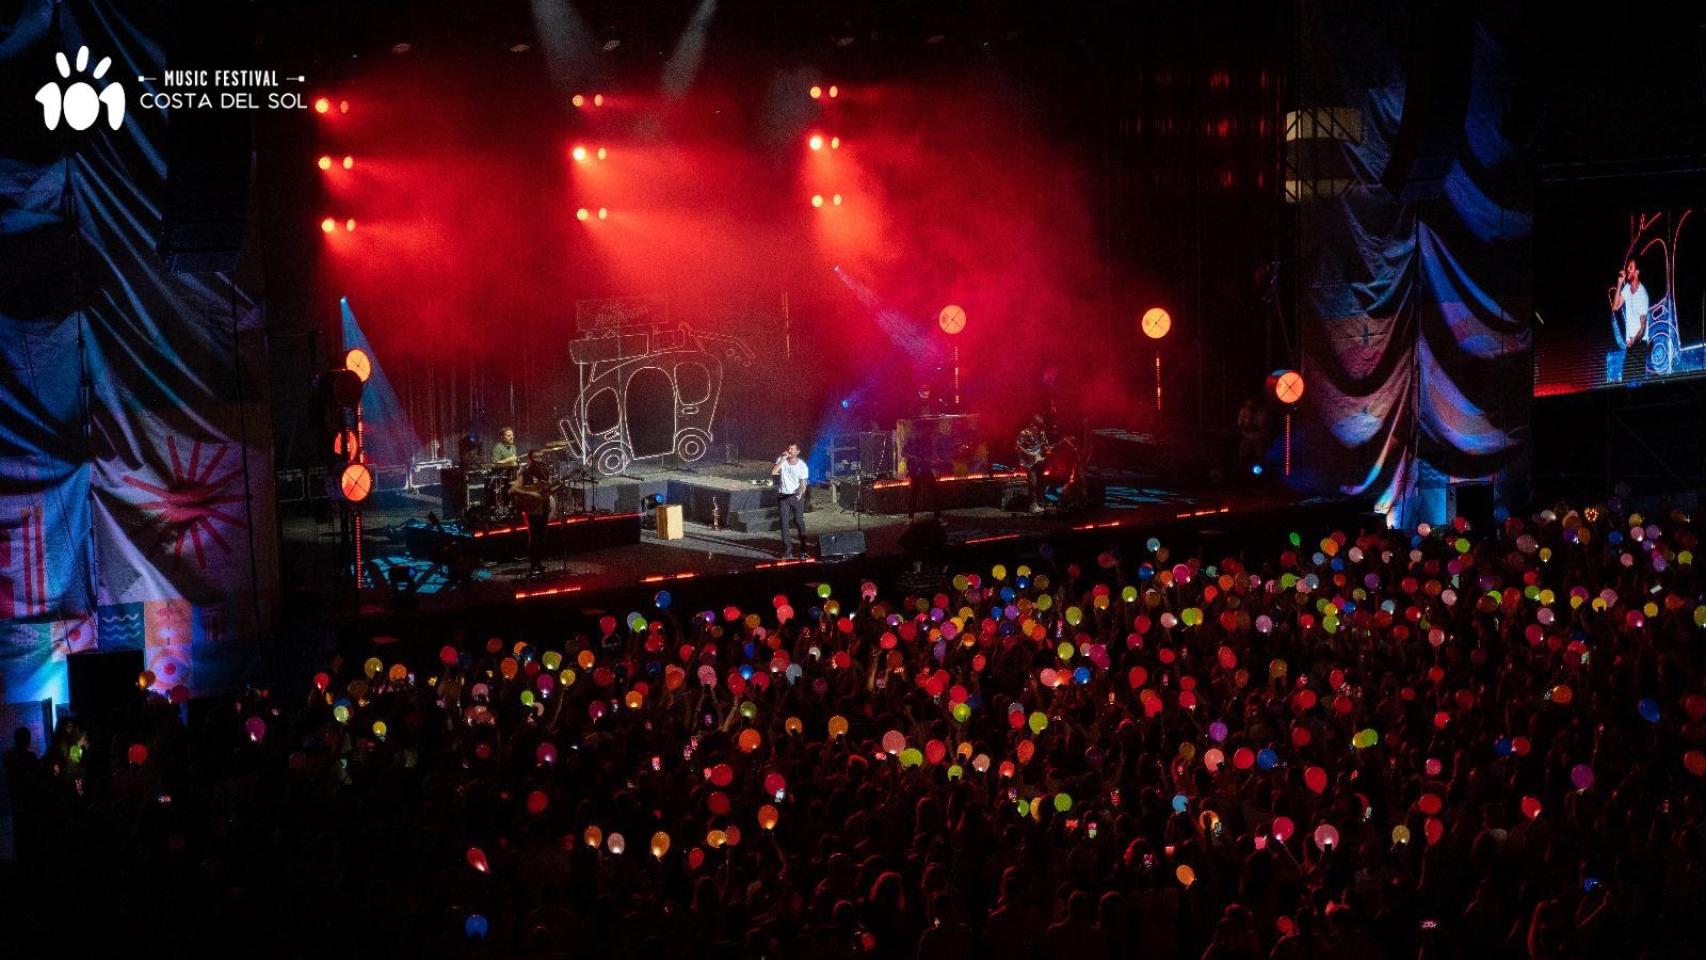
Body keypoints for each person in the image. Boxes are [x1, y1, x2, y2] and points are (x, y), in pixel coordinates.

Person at [510, 451, 553, 574]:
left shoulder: (545, 471)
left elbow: (548, 488)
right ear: (530, 459)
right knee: (534, 536)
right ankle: (533, 564)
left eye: (540, 457)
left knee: (542, 535)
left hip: (544, 505)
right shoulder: (525, 472)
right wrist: (531, 493)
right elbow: (513, 489)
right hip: (532, 507)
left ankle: (539, 563)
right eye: (535, 457)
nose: (538, 459)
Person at [770, 442, 809, 559]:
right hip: (783, 497)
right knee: (784, 523)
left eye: (792, 449)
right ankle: (787, 550)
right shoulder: (782, 460)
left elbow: (803, 484)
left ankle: (803, 550)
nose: (789, 451)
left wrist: (800, 493)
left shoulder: (802, 466)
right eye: (788, 448)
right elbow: (773, 472)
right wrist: (782, 459)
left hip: (796, 496)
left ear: (797, 452)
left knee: (798, 521)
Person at [1016, 413, 1051, 513]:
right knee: (1033, 483)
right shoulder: (1024, 433)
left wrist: (1048, 450)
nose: (1038, 429)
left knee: (1041, 482)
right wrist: (1030, 454)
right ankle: (1033, 505)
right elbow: (1018, 446)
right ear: (1032, 424)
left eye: (1040, 427)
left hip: (1039, 461)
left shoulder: (1042, 433)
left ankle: (1040, 503)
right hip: (1028, 462)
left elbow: (1046, 446)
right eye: (1036, 426)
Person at [1611, 258, 1649, 348]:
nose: (1627, 269)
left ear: (1637, 272)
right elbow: (1615, 307)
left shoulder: (1642, 295)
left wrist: (1633, 342)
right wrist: (1619, 283)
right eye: (1628, 267)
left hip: (1640, 343)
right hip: (1632, 343)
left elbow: (1643, 329)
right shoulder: (1627, 288)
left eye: (1631, 267)